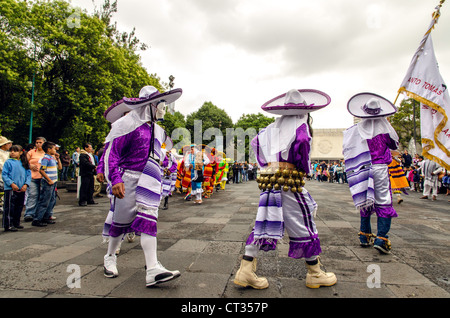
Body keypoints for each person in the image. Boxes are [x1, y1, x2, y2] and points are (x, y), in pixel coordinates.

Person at [234, 88, 336, 290]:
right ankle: (315, 273)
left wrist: (267, 164)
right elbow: (303, 146)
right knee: (304, 222)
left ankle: (246, 269)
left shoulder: (269, 129)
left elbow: (255, 143)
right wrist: (303, 169)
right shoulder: (301, 127)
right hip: (289, 181)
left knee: (265, 221)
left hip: (270, 180)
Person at [101, 85, 182, 287]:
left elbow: (160, 153)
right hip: (128, 178)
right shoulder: (125, 124)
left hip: (149, 180)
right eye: (161, 104)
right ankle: (110, 256)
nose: (164, 109)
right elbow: (112, 153)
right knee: (120, 222)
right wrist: (116, 179)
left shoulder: (158, 130)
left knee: (149, 221)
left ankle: (152, 269)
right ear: (150, 105)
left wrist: (169, 165)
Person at [343, 93, 399, 254]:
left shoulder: (356, 130)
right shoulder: (384, 130)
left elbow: (347, 148)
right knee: (383, 201)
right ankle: (381, 237)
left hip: (362, 168)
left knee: (365, 200)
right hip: (380, 168)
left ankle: (364, 234)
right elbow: (394, 144)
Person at [2, 145, 31, 231]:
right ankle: (8, 224)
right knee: (10, 207)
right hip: (10, 188)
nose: (12, 153)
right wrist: (11, 184)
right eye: (11, 151)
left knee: (19, 206)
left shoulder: (24, 162)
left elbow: (28, 174)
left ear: (21, 152)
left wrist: (26, 184)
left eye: (15, 151)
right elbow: (4, 174)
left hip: (21, 188)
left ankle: (16, 222)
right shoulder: (8, 162)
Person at [33, 141, 61, 227]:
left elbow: (60, 167)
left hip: (54, 182)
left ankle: (46, 216)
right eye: (53, 148)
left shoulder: (52, 158)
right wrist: (48, 179)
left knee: (52, 200)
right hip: (48, 182)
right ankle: (37, 219)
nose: (55, 150)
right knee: (44, 200)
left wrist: (58, 158)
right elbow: (42, 170)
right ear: (49, 149)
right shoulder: (45, 158)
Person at [23, 137, 46, 222]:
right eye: (36, 142)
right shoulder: (31, 152)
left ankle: (40, 213)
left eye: (40, 142)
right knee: (33, 195)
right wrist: (30, 165)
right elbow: (24, 161)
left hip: (44, 177)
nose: (38, 144)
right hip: (33, 177)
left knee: (42, 196)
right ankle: (29, 213)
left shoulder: (47, 152)